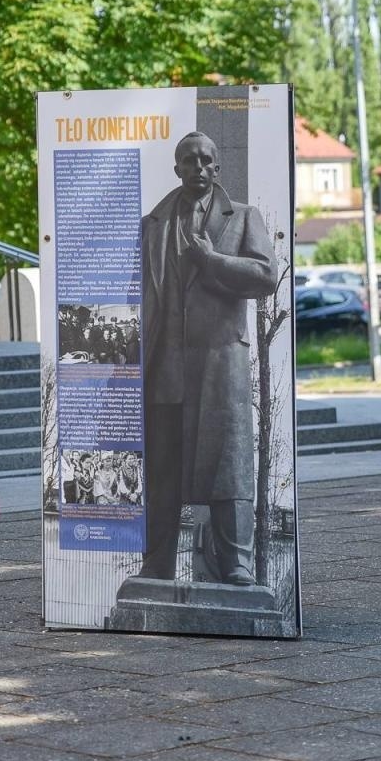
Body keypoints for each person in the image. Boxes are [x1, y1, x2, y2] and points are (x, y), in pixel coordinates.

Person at [138, 132, 276, 585]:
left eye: (206, 160)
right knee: (162, 470)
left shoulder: (244, 218)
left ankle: (236, 562)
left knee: (228, 464)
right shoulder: (155, 222)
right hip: (166, 366)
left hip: (220, 364)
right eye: (189, 160)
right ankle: (157, 563)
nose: (198, 167)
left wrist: (213, 260)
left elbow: (265, 276)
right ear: (177, 168)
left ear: (218, 168)